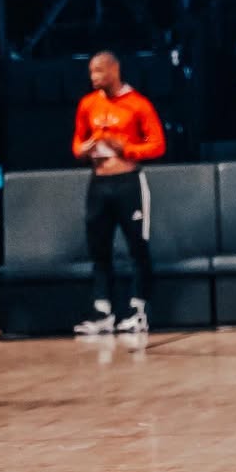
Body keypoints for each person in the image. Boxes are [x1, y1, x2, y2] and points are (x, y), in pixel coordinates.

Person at [72, 52, 166, 335]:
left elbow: (157, 144)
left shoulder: (138, 104)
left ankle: (138, 311)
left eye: (99, 71)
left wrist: (125, 147)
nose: (94, 77)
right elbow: (76, 144)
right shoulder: (88, 104)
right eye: (91, 72)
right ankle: (103, 313)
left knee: (137, 247)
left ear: (114, 70)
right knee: (99, 249)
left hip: (127, 182)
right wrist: (86, 147)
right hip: (98, 183)